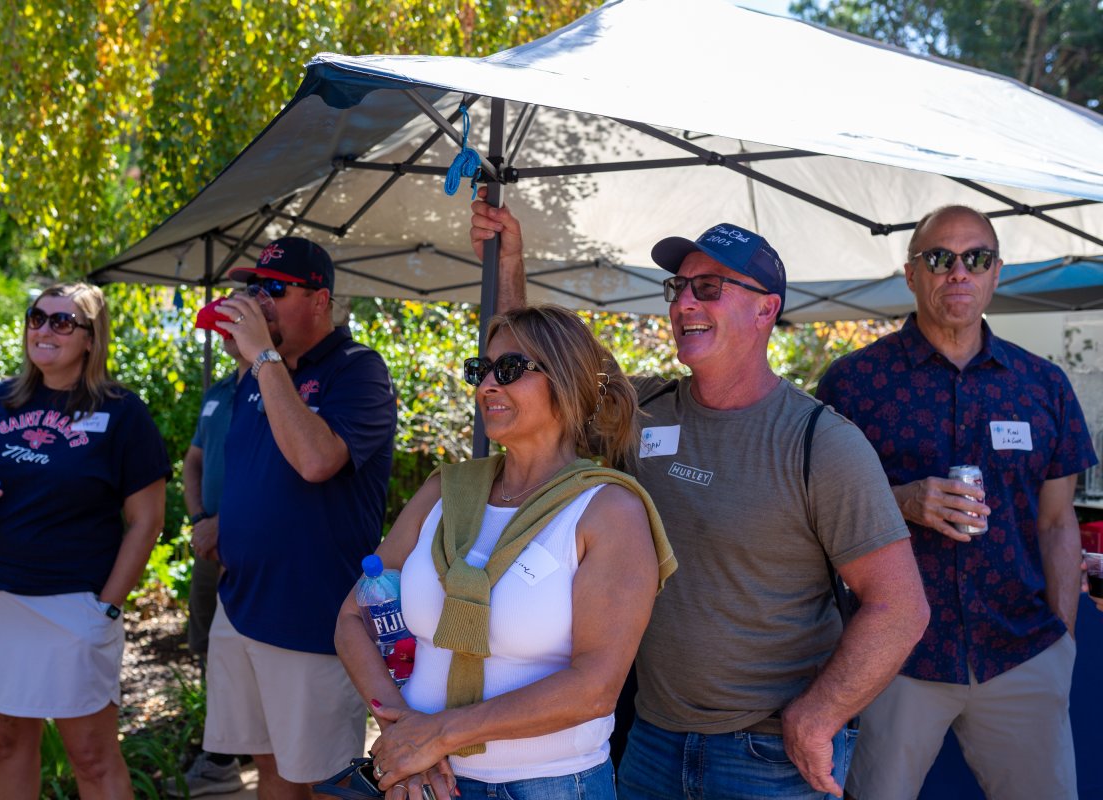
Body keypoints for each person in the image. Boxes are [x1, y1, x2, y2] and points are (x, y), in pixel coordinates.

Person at [469, 195, 930, 799]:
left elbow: (900, 607)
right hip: (651, 740)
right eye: (679, 287)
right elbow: (535, 368)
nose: (685, 301)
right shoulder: (642, 410)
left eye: (709, 287)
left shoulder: (822, 442)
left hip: (767, 755)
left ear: (766, 308)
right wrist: (509, 263)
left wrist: (818, 716)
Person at [335, 304, 676, 800]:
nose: (487, 385)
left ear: (565, 383)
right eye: (482, 370)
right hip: (423, 778)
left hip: (549, 786)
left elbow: (596, 687)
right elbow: (353, 616)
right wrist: (401, 729)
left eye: (510, 369)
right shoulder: (444, 493)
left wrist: (438, 734)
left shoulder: (608, 511)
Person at [815, 205, 1098, 800]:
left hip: (1020, 652)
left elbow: (1056, 524)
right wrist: (902, 501)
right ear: (912, 273)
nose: (958, 273)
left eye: (977, 258)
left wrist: (1063, 640)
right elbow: (815, 513)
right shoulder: (853, 383)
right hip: (895, 656)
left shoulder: (1042, 385)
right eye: (940, 258)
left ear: (996, 273)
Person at [0, 282, 170, 798]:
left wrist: (109, 608)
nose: (44, 330)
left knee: (92, 756)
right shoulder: (1, 400)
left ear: (91, 338)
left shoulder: (122, 413)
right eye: (37, 317)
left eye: (62, 322)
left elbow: (147, 520)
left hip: (74, 605)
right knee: (6, 745)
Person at [201, 237, 398, 799]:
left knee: (322, 781)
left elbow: (316, 461)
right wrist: (216, 521)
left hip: (313, 617)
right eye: (255, 288)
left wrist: (263, 359)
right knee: (270, 769)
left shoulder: (357, 369)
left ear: (321, 300)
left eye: (276, 290)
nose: (260, 301)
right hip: (240, 605)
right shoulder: (256, 374)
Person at [168, 336, 250, 797]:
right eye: (224, 324)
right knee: (209, 647)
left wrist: (227, 525)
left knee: (252, 648)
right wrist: (202, 519)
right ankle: (222, 750)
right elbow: (193, 461)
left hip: (251, 548)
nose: (227, 333)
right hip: (209, 548)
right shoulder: (217, 391)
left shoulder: (279, 386)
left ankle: (224, 756)